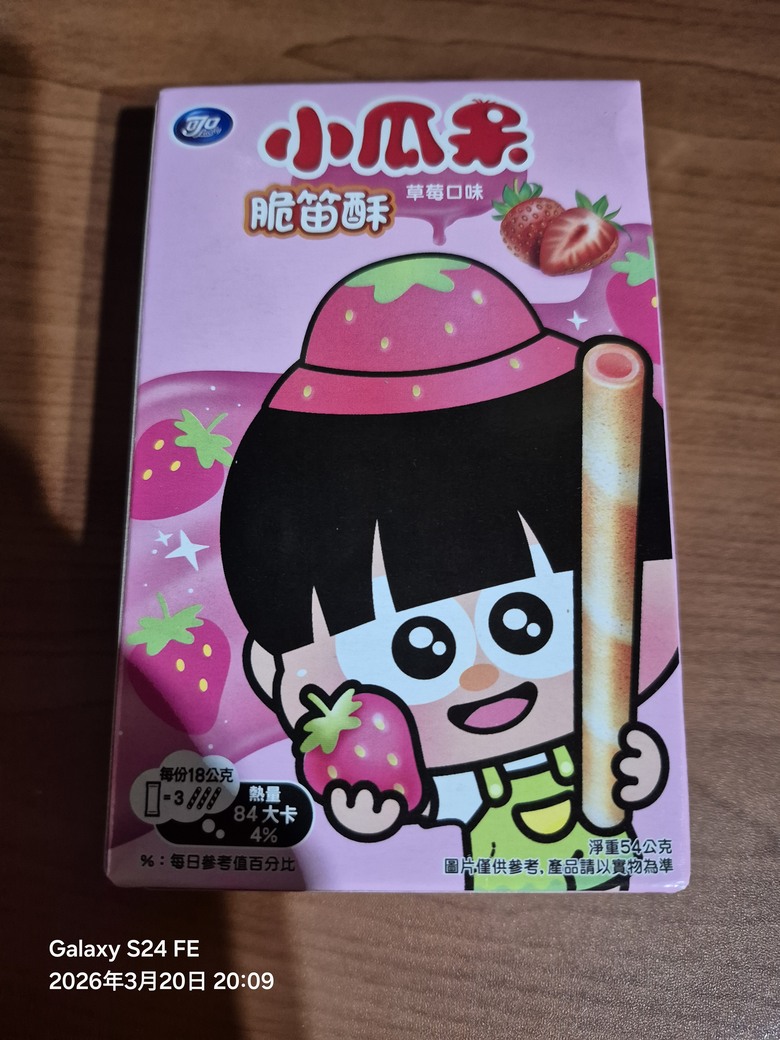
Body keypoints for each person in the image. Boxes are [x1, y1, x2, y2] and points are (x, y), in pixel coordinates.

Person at [221, 254, 676, 890]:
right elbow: (418, 805)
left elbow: (639, 772)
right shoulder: (464, 783)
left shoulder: (592, 742)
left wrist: (634, 768)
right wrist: (373, 802)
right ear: (276, 670)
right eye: (421, 648)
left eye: (525, 622)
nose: (482, 676)